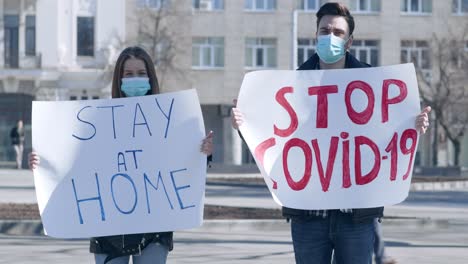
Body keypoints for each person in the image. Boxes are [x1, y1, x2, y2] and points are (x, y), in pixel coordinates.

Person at [231, 3, 431, 264]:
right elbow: (274, 139)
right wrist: (244, 125)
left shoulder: (372, 83)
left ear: (349, 42)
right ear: (315, 35)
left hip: (356, 217)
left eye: (337, 32)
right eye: (325, 30)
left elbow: (385, 135)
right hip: (309, 216)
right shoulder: (290, 85)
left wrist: (413, 125)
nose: (330, 37)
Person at [29, 46, 214, 264]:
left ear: (150, 77)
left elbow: (183, 160)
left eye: (141, 73)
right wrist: (45, 162)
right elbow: (75, 160)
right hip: (109, 228)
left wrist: (204, 152)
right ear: (119, 79)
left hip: (155, 225)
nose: (135, 79)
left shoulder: (169, 119)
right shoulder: (99, 120)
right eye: (129, 74)